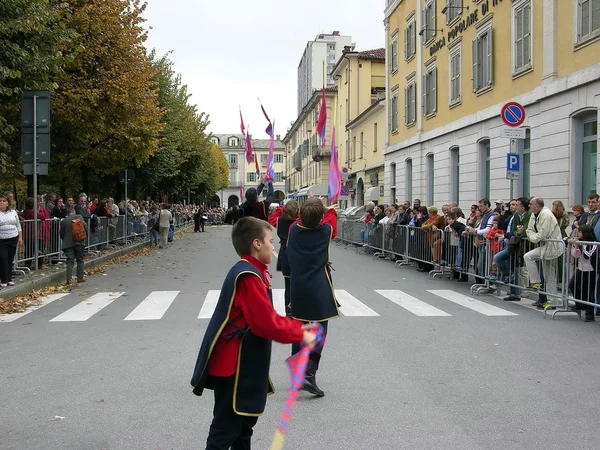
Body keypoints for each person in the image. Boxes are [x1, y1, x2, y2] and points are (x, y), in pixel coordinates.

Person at [190, 216, 317, 450]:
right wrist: (299, 334)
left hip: (240, 364)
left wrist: (297, 328)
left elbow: (264, 316)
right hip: (234, 367)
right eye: (270, 240)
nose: (274, 245)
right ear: (256, 244)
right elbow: (264, 323)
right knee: (226, 430)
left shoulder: (251, 271)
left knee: (243, 428)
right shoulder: (248, 276)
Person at [286, 197, 339, 397]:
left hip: (298, 286)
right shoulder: (325, 231)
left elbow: (300, 219)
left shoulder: (294, 229)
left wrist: (312, 210)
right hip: (319, 286)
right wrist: (328, 209)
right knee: (320, 328)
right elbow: (332, 218)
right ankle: (309, 373)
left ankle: (298, 372)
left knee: (299, 326)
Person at [268, 199, 300, 317]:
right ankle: (299, 309)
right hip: (299, 253)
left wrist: (281, 208)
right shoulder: (300, 222)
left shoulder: (280, 221)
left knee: (288, 285)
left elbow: (272, 216)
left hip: (285, 253)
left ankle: (289, 310)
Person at [59, 207, 89, 284]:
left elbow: (61, 233)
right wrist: (84, 238)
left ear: (68, 214)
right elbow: (86, 229)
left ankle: (68, 279)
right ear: (74, 212)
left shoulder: (64, 221)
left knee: (69, 261)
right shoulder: (80, 219)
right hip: (80, 242)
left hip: (68, 243)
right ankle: (80, 278)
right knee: (80, 260)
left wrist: (65, 240)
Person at [0, 193, 22, 288]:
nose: (1, 203)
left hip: (13, 237)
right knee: (3, 258)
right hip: (2, 239)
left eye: (4, 201)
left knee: (10, 258)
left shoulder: (13, 212)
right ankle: (3, 279)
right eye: (0, 201)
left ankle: (9, 278)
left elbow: (18, 225)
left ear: (8, 203)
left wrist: (20, 237)